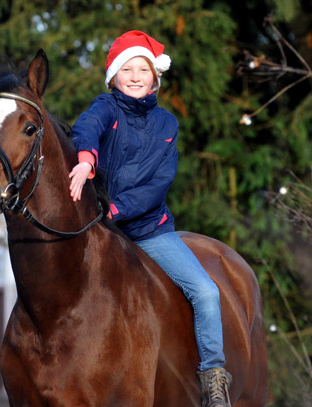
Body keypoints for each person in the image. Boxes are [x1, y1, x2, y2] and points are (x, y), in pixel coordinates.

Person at [68, 30, 232, 407]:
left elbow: (159, 184)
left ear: (155, 78)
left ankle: (213, 377)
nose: (136, 75)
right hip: (100, 231)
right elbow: (86, 127)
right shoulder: (106, 108)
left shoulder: (167, 125)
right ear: (114, 77)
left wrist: (115, 209)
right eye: (127, 69)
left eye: (143, 69)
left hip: (148, 231)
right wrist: (86, 158)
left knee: (206, 292)